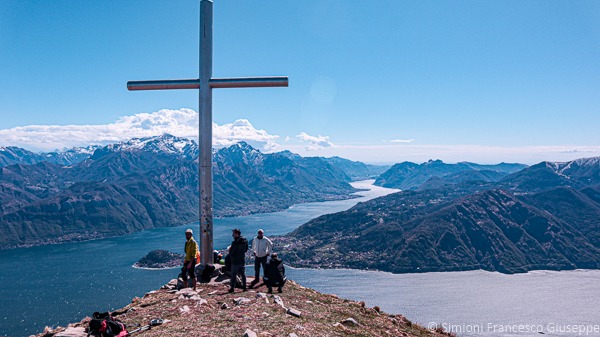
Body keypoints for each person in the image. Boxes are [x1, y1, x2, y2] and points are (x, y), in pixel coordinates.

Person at [228, 228, 248, 293]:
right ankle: (245, 287)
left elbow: (232, 252)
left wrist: (230, 250)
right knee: (243, 274)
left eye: (233, 234)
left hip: (235, 261)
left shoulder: (234, 243)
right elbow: (246, 249)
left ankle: (232, 288)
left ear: (237, 234)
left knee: (233, 275)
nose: (232, 235)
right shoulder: (245, 241)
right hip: (242, 260)